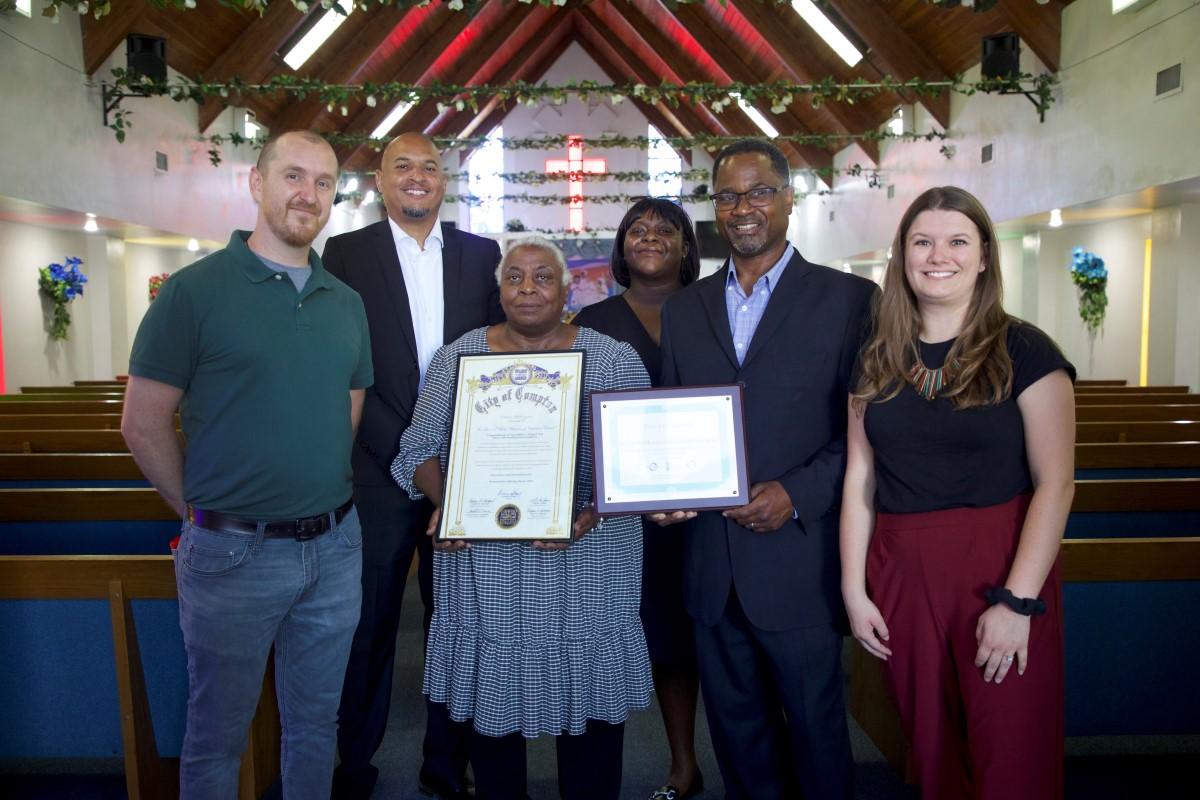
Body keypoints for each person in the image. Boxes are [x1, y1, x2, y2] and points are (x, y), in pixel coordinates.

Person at [120, 131, 373, 799]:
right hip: (231, 553)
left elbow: (348, 404)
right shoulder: (193, 292)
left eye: (323, 183)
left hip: (335, 548)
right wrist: (202, 514)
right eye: (293, 176)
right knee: (216, 734)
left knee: (317, 726)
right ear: (256, 185)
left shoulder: (345, 302)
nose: (308, 194)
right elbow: (143, 424)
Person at [651, 139, 876, 800]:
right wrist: (667, 492)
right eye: (727, 195)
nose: (743, 207)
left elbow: (866, 433)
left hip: (798, 563)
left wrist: (796, 493)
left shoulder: (849, 300)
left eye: (759, 192)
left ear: (788, 199)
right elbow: (671, 418)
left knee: (816, 733)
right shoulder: (685, 308)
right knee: (738, 738)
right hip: (712, 565)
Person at [393, 237, 652, 800]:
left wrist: (588, 515)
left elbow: (637, 462)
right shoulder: (459, 357)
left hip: (589, 567)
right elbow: (416, 449)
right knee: (493, 734)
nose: (528, 288)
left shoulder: (612, 358)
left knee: (591, 731)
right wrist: (452, 503)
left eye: (542, 277)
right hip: (487, 570)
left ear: (566, 289)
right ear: (499, 289)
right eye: (515, 277)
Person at [840, 186, 1074, 799]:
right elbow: (860, 479)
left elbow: (1056, 484)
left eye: (956, 241)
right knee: (932, 749)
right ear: (903, 255)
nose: (937, 255)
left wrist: (1018, 602)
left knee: (1010, 752)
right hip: (902, 574)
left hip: (998, 568)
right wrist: (852, 588)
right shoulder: (877, 356)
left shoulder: (1026, 351)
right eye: (922, 241)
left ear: (985, 256)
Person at [322, 132, 502, 799]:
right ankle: (353, 762)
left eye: (430, 166)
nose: (418, 176)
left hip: (467, 470)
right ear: (380, 180)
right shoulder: (344, 255)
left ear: (444, 180)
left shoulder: (481, 254)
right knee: (367, 627)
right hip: (376, 470)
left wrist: (456, 467)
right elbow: (342, 369)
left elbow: (494, 361)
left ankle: (446, 763)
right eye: (403, 166)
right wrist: (413, 458)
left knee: (459, 625)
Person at [572, 198, 704, 800]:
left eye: (664, 230)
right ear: (622, 247)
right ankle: (607, 771)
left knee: (687, 637)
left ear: (685, 246)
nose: (650, 238)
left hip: (700, 506)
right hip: (617, 513)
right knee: (624, 634)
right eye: (637, 230)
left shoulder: (713, 311)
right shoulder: (592, 320)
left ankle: (684, 764)